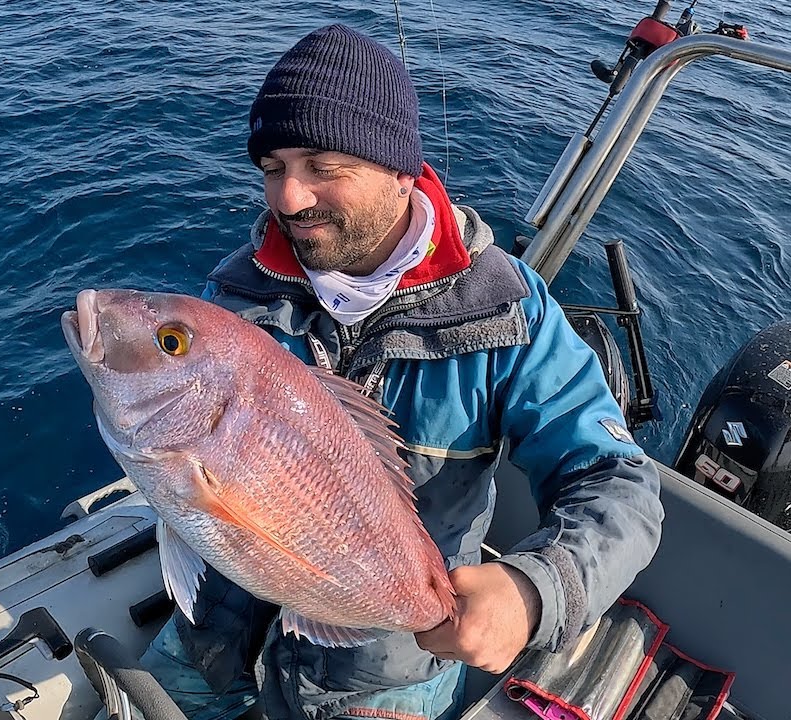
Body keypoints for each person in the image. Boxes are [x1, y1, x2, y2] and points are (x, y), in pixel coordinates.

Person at [134, 23, 664, 720]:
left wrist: (535, 592)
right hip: (217, 629)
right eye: (272, 167)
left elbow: (618, 483)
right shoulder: (240, 292)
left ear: (399, 170)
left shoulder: (505, 311)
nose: (289, 198)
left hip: (386, 666)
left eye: (323, 166)